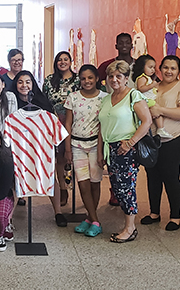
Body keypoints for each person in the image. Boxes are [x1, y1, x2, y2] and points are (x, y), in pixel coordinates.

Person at [98, 60, 153, 243]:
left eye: (118, 76)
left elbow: (147, 121)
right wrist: (100, 153)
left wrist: (130, 143)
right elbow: (101, 127)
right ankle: (128, 224)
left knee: (126, 188)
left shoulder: (133, 96)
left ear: (126, 78)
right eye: (111, 76)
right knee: (117, 188)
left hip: (125, 149)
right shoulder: (106, 98)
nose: (114, 80)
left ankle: (130, 228)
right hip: (110, 148)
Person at [141, 55, 180, 231]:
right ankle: (154, 213)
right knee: (152, 175)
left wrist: (160, 110)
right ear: (160, 69)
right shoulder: (153, 86)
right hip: (151, 139)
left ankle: (175, 216)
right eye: (165, 67)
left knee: (170, 176)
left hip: (173, 138)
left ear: (178, 71)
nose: (168, 71)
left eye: (173, 68)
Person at [13, 70, 67, 224]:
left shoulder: (42, 102)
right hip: (19, 148)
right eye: (20, 82)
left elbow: (53, 127)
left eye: (28, 82)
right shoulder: (11, 102)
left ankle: (58, 212)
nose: (24, 85)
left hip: (41, 146)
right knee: (17, 178)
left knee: (49, 176)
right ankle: (9, 217)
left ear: (33, 84)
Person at [63, 65, 108, 237]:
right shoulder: (73, 97)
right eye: (83, 78)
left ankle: (90, 219)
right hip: (76, 145)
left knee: (95, 183)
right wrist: (67, 149)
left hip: (96, 145)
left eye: (90, 78)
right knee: (82, 184)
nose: (87, 81)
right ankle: (95, 220)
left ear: (97, 78)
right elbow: (68, 124)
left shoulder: (105, 98)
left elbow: (104, 125)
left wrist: (101, 152)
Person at [98, 33, 134, 207]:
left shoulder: (139, 65)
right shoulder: (107, 66)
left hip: (131, 122)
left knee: (128, 177)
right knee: (115, 172)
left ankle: (129, 216)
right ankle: (115, 194)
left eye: (128, 42)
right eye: (121, 43)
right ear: (116, 45)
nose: (124, 45)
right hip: (112, 113)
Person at [42, 51, 80, 207]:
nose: (62, 62)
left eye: (65, 59)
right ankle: (63, 189)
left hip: (76, 123)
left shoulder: (78, 80)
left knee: (73, 156)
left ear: (71, 62)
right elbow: (44, 101)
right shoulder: (50, 80)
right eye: (59, 60)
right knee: (60, 157)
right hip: (55, 124)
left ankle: (73, 185)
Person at [131, 54, 171, 139]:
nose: (153, 70)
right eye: (150, 67)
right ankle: (160, 128)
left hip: (147, 100)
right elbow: (141, 88)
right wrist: (151, 85)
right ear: (142, 67)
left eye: (154, 67)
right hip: (145, 100)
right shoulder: (142, 78)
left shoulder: (148, 78)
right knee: (158, 110)